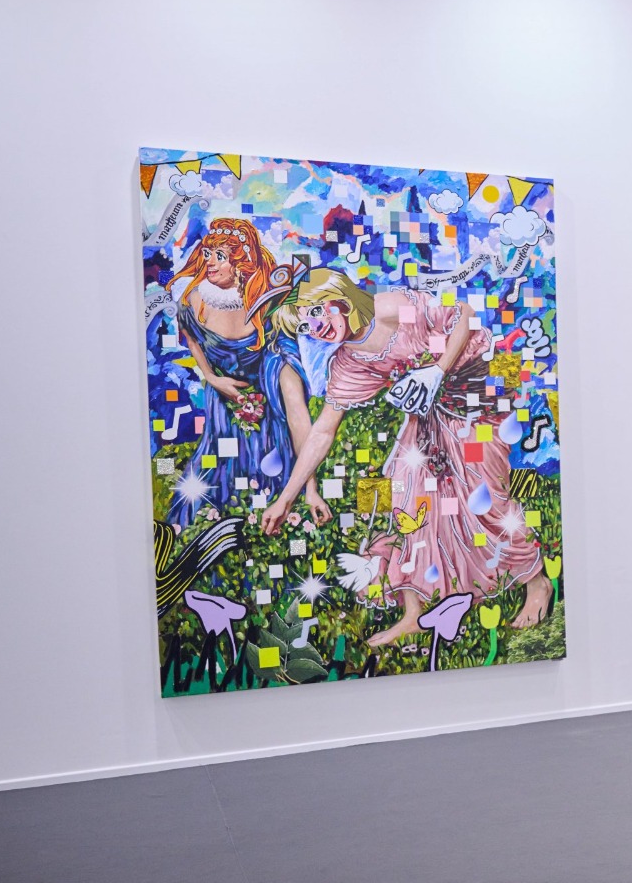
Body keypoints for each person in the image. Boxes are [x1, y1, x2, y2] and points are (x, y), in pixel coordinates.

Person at [258, 268, 552, 645]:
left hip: (477, 396)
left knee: (484, 496)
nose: (317, 327)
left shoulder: (390, 309)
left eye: (317, 312)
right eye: (305, 325)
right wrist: (286, 498)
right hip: (429, 413)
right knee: (407, 494)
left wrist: (437, 371)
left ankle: (536, 581)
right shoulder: (349, 362)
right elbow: (322, 431)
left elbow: (464, 314)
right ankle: (415, 612)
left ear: (339, 298)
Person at [166, 217, 329, 527]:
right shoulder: (193, 301)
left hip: (269, 421)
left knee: (268, 486)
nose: (210, 262)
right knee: (212, 491)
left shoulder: (270, 315)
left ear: (240, 264)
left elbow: (296, 410)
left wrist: (311, 488)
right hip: (222, 411)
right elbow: (191, 337)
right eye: (208, 254)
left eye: (220, 256)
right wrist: (212, 377)